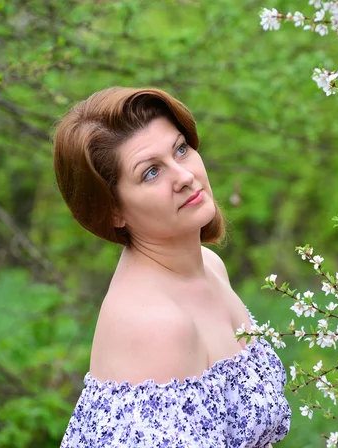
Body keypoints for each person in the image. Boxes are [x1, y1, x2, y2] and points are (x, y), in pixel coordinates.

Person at [53, 87, 291, 447]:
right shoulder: (155, 326)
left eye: (181, 149)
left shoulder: (210, 265)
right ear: (113, 210)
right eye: (151, 172)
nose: (184, 176)